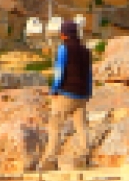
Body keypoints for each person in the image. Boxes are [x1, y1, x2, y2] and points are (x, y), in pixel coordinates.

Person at [40, 19, 93, 170]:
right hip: (81, 95)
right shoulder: (86, 51)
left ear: (63, 35)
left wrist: (54, 89)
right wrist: (88, 92)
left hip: (66, 93)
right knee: (81, 126)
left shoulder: (64, 49)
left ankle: (50, 159)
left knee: (55, 124)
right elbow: (89, 74)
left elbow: (60, 71)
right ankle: (85, 155)